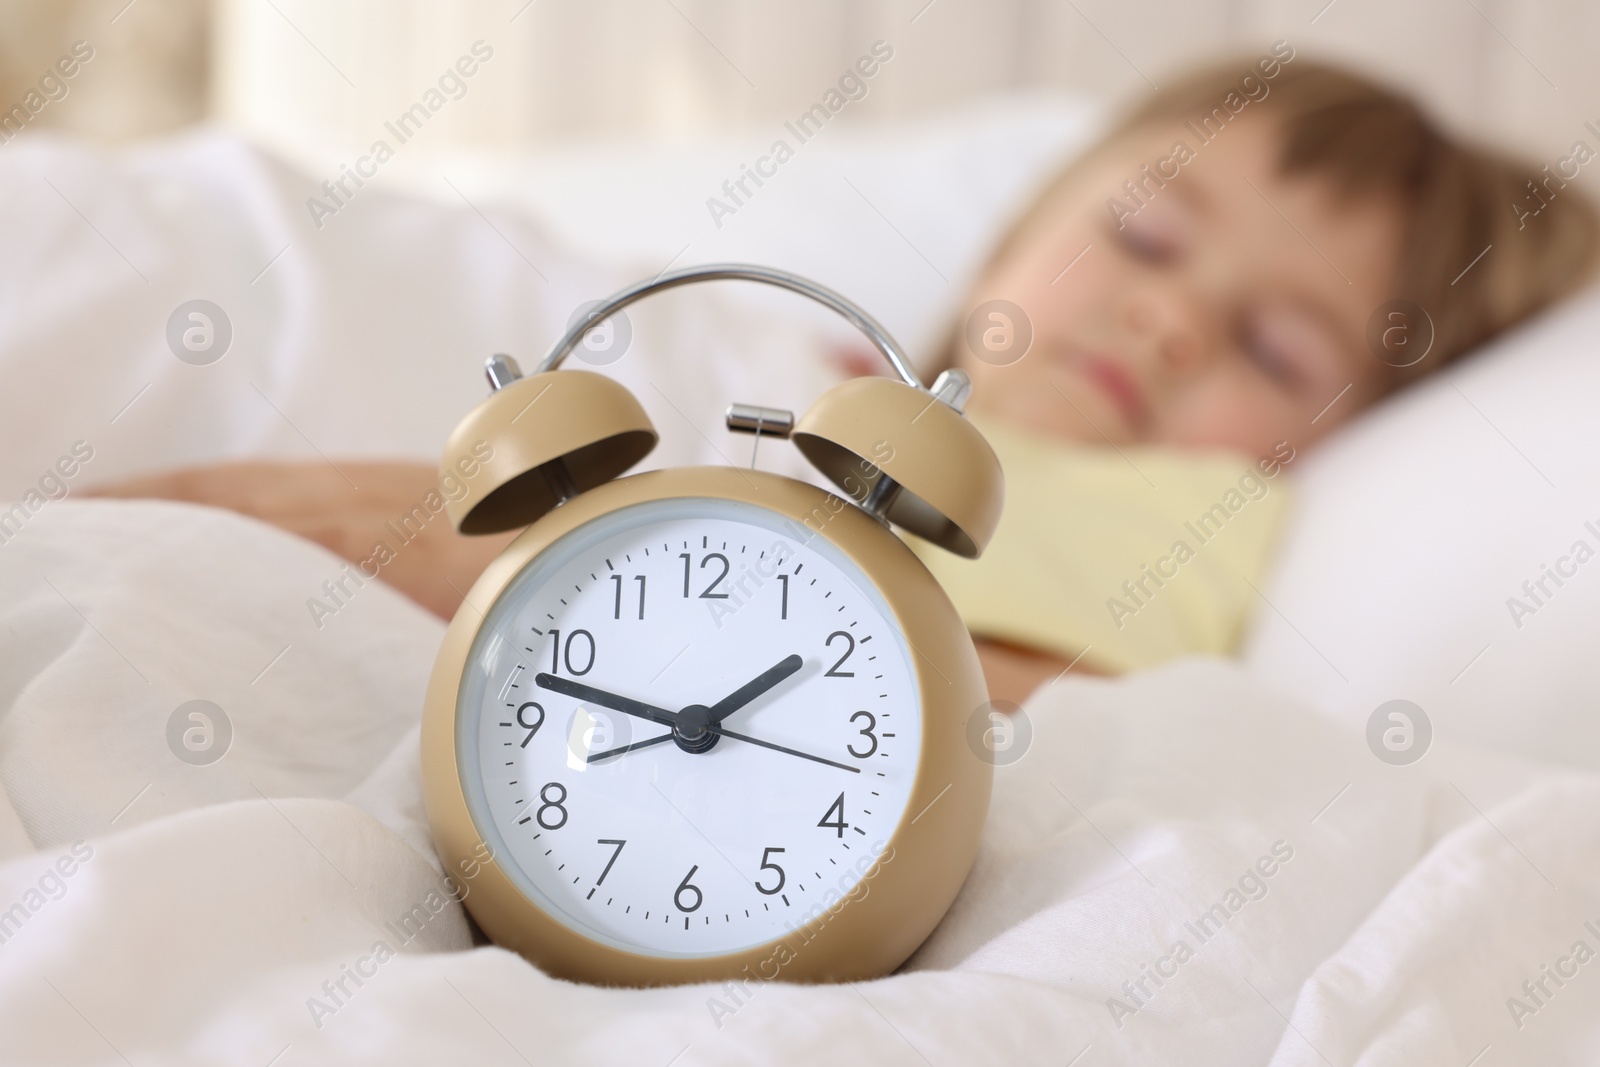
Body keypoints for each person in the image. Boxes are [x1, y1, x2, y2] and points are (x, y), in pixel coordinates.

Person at [91, 54, 1600, 704]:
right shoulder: (775, 337)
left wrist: (552, 562)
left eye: (1276, 348)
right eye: (1144, 237)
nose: (1170, 326)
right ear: (1015, 230)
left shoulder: (1179, 510)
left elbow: (1062, 700)